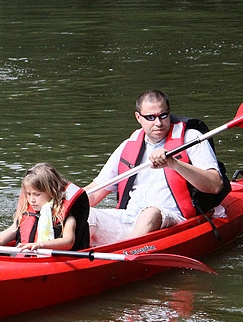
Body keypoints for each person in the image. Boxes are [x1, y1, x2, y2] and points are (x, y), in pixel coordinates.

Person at [84, 90, 229, 246]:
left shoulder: (191, 138)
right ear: (138, 117)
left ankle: (126, 252)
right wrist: (63, 203)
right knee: (86, 215)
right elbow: (93, 193)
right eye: (151, 118)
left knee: (150, 213)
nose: (158, 123)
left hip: (173, 218)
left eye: (163, 115)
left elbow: (215, 185)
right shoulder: (128, 146)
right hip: (129, 218)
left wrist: (173, 163)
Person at [0, 162, 90, 251]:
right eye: (28, 194)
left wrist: (38, 245)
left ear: (51, 192)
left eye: (37, 194)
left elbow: (68, 241)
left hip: (54, 261)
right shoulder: (26, 216)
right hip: (27, 259)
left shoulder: (67, 218)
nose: (31, 200)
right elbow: (1, 239)